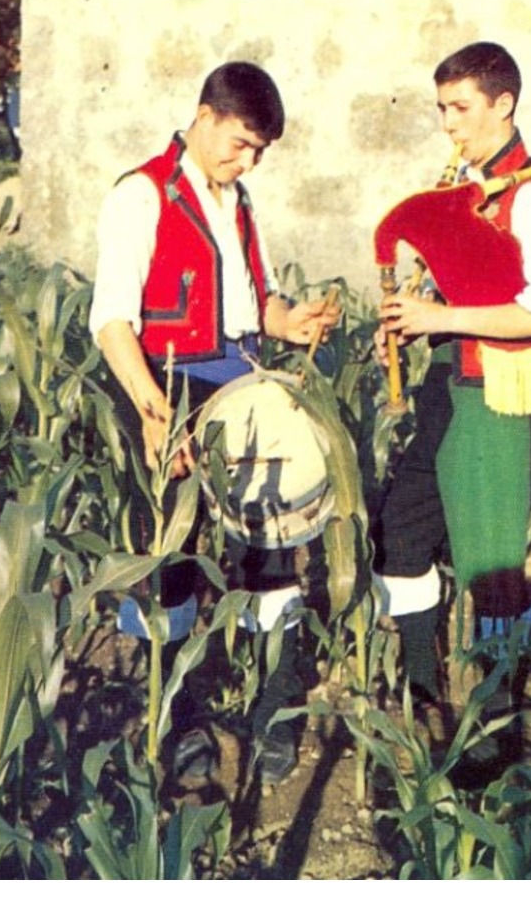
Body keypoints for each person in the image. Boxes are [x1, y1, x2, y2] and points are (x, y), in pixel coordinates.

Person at [89, 60, 339, 786]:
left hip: (244, 387)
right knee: (173, 562)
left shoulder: (239, 201)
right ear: (201, 117)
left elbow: (254, 304)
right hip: (172, 388)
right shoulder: (141, 195)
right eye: (238, 143)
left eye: (259, 151)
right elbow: (111, 320)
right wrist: (151, 410)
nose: (248, 160)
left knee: (274, 548)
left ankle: (272, 710)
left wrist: (292, 321)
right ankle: (180, 720)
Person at [373, 41, 531, 743]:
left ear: (503, 105)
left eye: (459, 108)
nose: (447, 125)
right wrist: (412, 324)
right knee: (401, 527)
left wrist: (441, 318)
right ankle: (425, 698)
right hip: (446, 385)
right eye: (440, 109)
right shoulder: (463, 188)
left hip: (497, 394)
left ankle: (500, 723)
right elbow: (453, 288)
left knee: (490, 560)